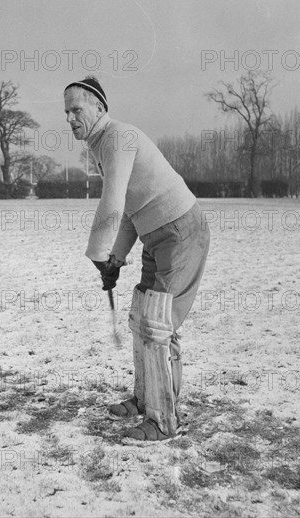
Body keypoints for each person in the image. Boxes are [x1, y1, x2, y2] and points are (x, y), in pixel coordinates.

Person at [64, 76, 210, 441]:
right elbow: (130, 208)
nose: (69, 118)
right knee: (141, 319)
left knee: (159, 326)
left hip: (180, 231)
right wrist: (115, 258)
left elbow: (111, 201)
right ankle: (146, 400)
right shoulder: (102, 145)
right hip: (156, 235)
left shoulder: (116, 137)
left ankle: (163, 421)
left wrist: (98, 254)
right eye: (66, 112)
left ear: (99, 107)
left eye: (76, 109)